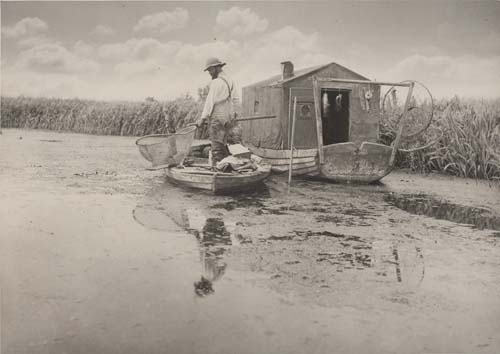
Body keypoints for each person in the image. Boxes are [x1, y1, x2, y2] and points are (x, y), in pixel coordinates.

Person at [195, 57, 238, 168]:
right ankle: (228, 167)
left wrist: (202, 119)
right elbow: (235, 99)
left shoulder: (216, 82)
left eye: (210, 70)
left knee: (216, 146)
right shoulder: (230, 80)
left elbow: (209, 102)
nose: (209, 73)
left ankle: (219, 172)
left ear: (216, 68)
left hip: (218, 118)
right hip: (227, 118)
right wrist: (234, 115)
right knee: (222, 143)